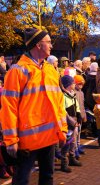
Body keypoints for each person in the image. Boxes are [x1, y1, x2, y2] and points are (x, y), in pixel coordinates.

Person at [0, 28, 68, 184]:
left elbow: (59, 103)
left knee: (47, 177)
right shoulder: (17, 72)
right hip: (26, 141)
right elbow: (8, 107)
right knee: (21, 180)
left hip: (49, 137)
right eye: (49, 41)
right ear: (38, 45)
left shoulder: (51, 70)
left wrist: (62, 129)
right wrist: (10, 140)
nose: (51, 45)